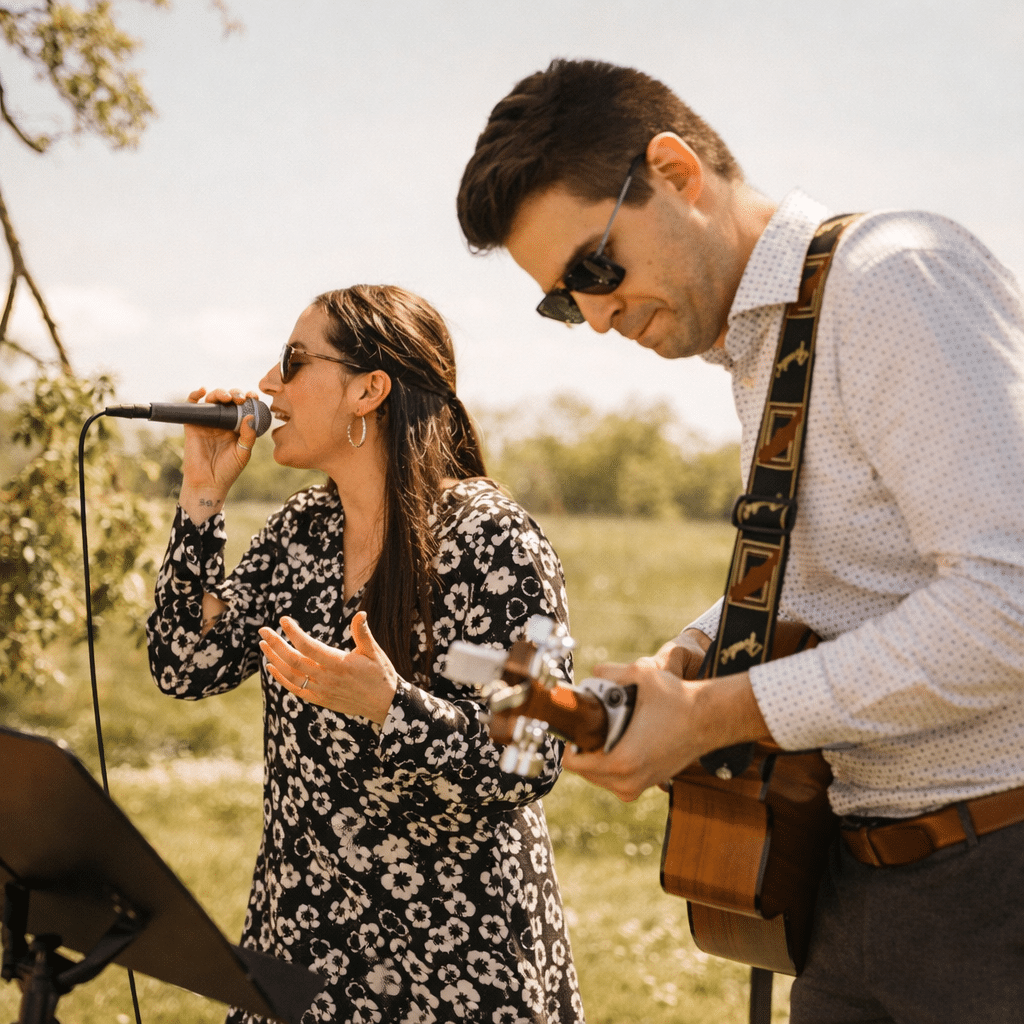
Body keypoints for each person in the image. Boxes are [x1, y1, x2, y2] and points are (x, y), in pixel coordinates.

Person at [456, 59, 1024, 1022]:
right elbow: (842, 567)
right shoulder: (768, 337)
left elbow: (1007, 606)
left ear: (676, 173)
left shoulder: (892, 277)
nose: (594, 318)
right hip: (857, 882)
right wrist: (686, 657)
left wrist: (717, 712)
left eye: (595, 269)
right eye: (563, 300)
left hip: (993, 885)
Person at [146, 284, 585, 1024]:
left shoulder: (493, 540)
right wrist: (200, 500)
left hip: (450, 966)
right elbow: (185, 663)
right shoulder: (302, 531)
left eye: (293, 361)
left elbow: (532, 751)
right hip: (301, 940)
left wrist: (392, 708)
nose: (266, 385)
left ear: (369, 390)